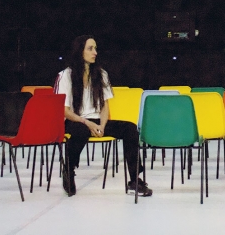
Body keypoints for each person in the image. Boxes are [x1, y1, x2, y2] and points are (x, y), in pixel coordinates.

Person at [55, 35, 152, 197]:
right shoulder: (65, 75)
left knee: (129, 128)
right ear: (80, 51)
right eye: (90, 48)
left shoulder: (101, 74)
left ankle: (135, 179)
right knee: (81, 131)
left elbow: (105, 106)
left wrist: (102, 125)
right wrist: (87, 123)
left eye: (95, 48)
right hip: (75, 120)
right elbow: (64, 111)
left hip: (98, 121)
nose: (95, 52)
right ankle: (69, 169)